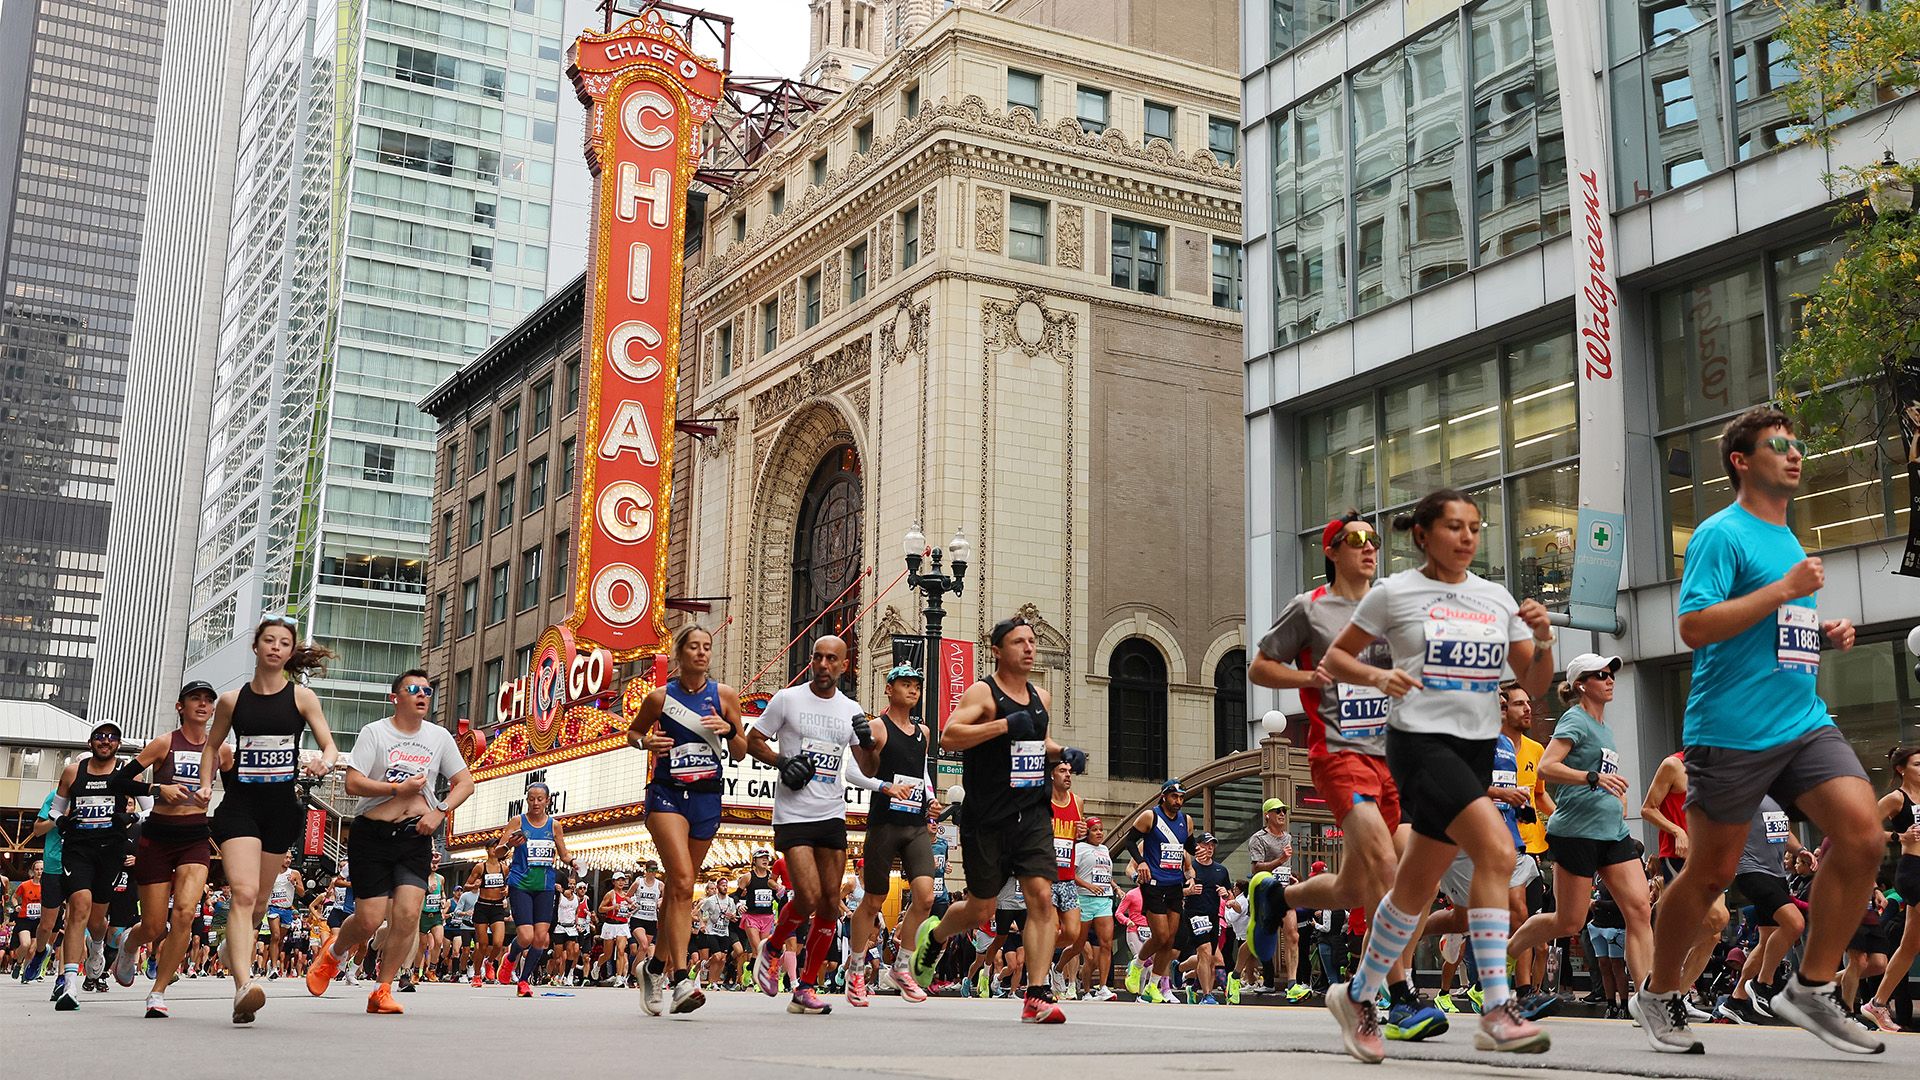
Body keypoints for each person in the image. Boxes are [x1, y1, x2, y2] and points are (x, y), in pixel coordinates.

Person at [1636, 407, 1886, 1056]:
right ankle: (1660, 991)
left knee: (1863, 836)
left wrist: (1819, 637)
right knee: (1710, 874)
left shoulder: (1790, 542)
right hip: (1732, 730)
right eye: (1779, 446)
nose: (1795, 454)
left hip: (1802, 721)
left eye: (1797, 445)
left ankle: (1810, 986)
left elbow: (1768, 633)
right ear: (1742, 461)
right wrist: (1784, 591)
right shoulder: (1722, 534)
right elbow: (1694, 628)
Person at [1320, 487, 1558, 1062]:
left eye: (1475, 528)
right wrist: (1380, 679)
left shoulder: (1495, 598)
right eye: (1454, 527)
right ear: (1423, 535)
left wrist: (1544, 637)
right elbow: (1336, 659)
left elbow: (1539, 680)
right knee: (1498, 852)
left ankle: (1357, 995)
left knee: (1415, 887)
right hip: (1419, 744)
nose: (1468, 538)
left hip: (1475, 748)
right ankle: (1497, 1008)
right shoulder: (1394, 594)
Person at [1248, 513, 1444, 1041]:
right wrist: (1307, 675)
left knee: (1368, 884)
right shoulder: (1310, 609)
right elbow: (1260, 667)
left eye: (1374, 540)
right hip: (1339, 755)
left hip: (1391, 759)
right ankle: (1398, 996)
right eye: (1354, 540)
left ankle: (1277, 899)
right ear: (1330, 551)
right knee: (1386, 863)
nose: (1368, 547)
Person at [908, 615, 1090, 1024]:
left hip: (1032, 813)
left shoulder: (1041, 696)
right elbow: (949, 737)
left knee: (1041, 897)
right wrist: (1003, 724)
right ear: (997, 650)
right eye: (1018, 642)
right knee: (979, 908)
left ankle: (1037, 995)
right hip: (987, 819)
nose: (1029, 648)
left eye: (1032, 642)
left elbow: (1036, 741)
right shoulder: (983, 694)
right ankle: (935, 937)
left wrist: (1063, 753)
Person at [306, 668, 474, 1014]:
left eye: (428, 690)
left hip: (415, 834)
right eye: (414, 689)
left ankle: (382, 989)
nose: (423, 695)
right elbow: (353, 783)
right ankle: (335, 953)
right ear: (395, 697)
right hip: (373, 835)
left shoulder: (439, 737)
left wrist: (439, 811)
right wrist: (397, 789)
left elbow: (465, 783)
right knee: (368, 920)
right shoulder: (375, 733)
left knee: (409, 914)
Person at [197, 615, 339, 1023]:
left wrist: (322, 763)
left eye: (284, 642)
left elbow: (329, 746)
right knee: (242, 894)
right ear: (256, 647)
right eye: (269, 640)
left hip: (281, 811)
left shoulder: (302, 698)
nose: (276, 647)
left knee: (258, 905)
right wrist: (207, 785)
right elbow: (211, 747)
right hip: (240, 806)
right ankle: (243, 986)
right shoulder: (232, 701)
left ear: (291, 652)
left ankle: (231, 950)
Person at [1506, 655, 1654, 1020]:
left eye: (1611, 675)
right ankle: (1503, 953)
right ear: (1580, 685)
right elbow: (1547, 767)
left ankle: (1652, 1002)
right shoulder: (1574, 718)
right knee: (1568, 922)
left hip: (1612, 833)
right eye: (1601, 675)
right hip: (1576, 833)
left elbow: (1603, 774)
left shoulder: (1605, 728)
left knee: (1639, 911)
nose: (1610, 680)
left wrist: (1615, 794)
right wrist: (1593, 778)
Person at [746, 635, 880, 1015]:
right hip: (793, 814)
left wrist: (869, 743)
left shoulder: (850, 709)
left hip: (831, 813)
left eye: (831, 659)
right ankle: (771, 948)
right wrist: (781, 762)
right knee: (805, 896)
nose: (823, 665)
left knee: (829, 903)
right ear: (811, 662)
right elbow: (753, 739)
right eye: (817, 658)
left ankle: (805, 988)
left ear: (843, 665)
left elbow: (868, 768)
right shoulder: (787, 700)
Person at [625, 625, 746, 1015]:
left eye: (706, 647)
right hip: (667, 795)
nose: (701, 653)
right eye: (693, 647)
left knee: (680, 891)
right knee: (680, 879)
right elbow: (632, 732)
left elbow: (742, 750)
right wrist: (646, 742)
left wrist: (729, 731)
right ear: (679, 654)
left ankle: (653, 967)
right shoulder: (660, 697)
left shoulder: (724, 695)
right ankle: (679, 979)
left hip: (707, 796)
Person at [112, 680, 231, 1017]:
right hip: (158, 837)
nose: (203, 705)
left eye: (208, 700)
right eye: (195, 698)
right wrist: (157, 788)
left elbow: (239, 791)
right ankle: (129, 943)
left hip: (195, 837)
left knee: (183, 914)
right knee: (154, 926)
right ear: (181, 707)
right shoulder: (165, 743)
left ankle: (157, 992)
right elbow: (118, 781)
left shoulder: (221, 749)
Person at [842, 663, 936, 1006]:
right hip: (884, 823)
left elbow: (921, 771)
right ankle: (855, 970)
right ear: (889, 689)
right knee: (874, 899)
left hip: (914, 824)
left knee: (925, 896)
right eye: (906, 684)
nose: (913, 690)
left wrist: (931, 797)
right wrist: (883, 786)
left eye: (917, 685)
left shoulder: (923, 732)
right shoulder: (877, 728)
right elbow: (852, 771)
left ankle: (900, 966)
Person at [47, 721, 152, 1010]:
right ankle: (69, 984)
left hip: (110, 851)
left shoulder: (128, 772)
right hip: (78, 849)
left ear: (118, 744)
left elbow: (151, 807)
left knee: (97, 920)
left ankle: (96, 948)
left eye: (111, 738)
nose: (105, 741)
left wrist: (131, 819)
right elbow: (56, 808)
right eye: (100, 737)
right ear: (90, 741)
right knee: (78, 906)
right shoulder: (73, 771)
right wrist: (61, 821)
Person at [1638, 750, 1727, 1015]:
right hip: (1678, 858)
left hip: (1709, 858)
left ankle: (1670, 998)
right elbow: (1647, 808)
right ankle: (1658, 983)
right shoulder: (1673, 766)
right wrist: (1676, 830)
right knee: (1716, 917)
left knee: (1714, 933)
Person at [1717, 796, 1810, 1024]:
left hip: (1777, 875)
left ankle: (1736, 1000)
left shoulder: (1776, 797)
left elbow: (1781, 832)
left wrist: (1800, 850)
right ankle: (1762, 984)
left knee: (1766, 939)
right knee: (1795, 923)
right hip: (1752, 872)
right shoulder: (1747, 790)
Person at [499, 781, 573, 997]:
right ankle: (511, 958)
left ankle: (523, 981)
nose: (535, 803)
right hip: (520, 884)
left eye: (540, 799)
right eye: (531, 799)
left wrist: (573, 861)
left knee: (541, 938)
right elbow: (498, 852)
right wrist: (510, 844)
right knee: (525, 936)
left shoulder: (554, 825)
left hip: (545, 886)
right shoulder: (517, 821)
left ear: (548, 801)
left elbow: (564, 853)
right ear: (527, 800)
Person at [1124, 779, 1192, 1005]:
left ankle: (1152, 986)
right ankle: (1137, 963)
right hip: (1153, 883)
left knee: (1170, 940)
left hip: (1175, 884)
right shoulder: (1150, 817)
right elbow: (1130, 840)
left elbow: (1189, 847)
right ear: (1164, 796)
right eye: (1174, 796)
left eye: (1181, 797)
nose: (1178, 801)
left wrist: (1197, 857)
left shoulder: (1186, 821)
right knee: (1161, 935)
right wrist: (1141, 862)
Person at [1245, 798, 1308, 1001]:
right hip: (1264, 892)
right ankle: (1236, 975)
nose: (1282, 814)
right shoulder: (1258, 838)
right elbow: (1256, 869)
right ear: (1267, 815)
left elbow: (1283, 866)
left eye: (1284, 810)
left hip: (1283, 891)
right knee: (1260, 939)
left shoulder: (1287, 837)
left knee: (1293, 935)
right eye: (1278, 810)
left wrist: (1287, 875)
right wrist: (1280, 860)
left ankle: (1292, 984)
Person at [1181, 832, 1231, 1003]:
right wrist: (1188, 891)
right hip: (1194, 913)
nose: (1209, 848)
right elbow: (1175, 891)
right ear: (1197, 846)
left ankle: (1180, 969)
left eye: (1212, 845)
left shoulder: (1221, 870)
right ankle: (1207, 995)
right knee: (1205, 951)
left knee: (1209, 958)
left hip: (1213, 915)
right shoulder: (1189, 868)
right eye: (1205, 844)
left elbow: (1229, 894)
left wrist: (1226, 894)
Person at [1074, 816, 1117, 1000]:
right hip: (1083, 899)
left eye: (1101, 829)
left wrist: (1115, 888)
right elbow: (1069, 874)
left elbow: (1104, 874)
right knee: (1080, 947)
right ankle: (1082, 988)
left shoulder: (1105, 849)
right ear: (1087, 833)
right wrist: (1088, 886)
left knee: (1106, 945)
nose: (1099, 832)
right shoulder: (1079, 848)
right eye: (1095, 829)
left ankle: (1103, 987)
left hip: (1103, 900)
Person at [597, 872, 634, 985]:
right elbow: (600, 909)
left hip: (622, 924)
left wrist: (629, 911)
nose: (621, 882)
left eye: (623, 880)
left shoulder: (626, 895)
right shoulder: (610, 894)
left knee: (621, 951)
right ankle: (597, 965)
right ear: (613, 882)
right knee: (607, 954)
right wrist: (613, 907)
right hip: (610, 924)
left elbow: (631, 909)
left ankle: (619, 976)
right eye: (618, 880)